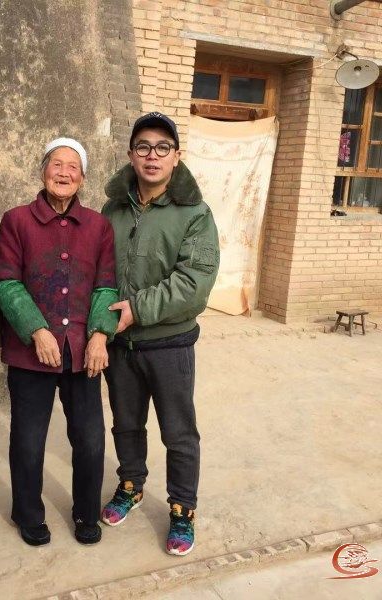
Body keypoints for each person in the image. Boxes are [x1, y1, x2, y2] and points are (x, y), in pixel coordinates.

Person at [100, 112, 220, 556]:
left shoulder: (195, 213)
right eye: (144, 147)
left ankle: (183, 509)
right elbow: (100, 271)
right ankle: (131, 486)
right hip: (121, 344)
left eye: (163, 148)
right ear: (131, 155)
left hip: (169, 343)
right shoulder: (113, 209)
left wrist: (136, 309)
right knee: (126, 424)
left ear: (176, 156)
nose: (153, 156)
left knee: (178, 432)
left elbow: (195, 282)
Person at [0, 138, 118, 547]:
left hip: (83, 352)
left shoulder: (98, 226)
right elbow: (6, 281)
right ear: (43, 170)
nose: (64, 173)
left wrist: (100, 335)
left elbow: (106, 285)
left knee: (90, 439)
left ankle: (86, 512)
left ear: (83, 178)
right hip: (32, 353)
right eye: (56, 164)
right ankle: (28, 513)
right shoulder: (16, 221)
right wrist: (37, 329)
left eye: (72, 167)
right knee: (28, 441)